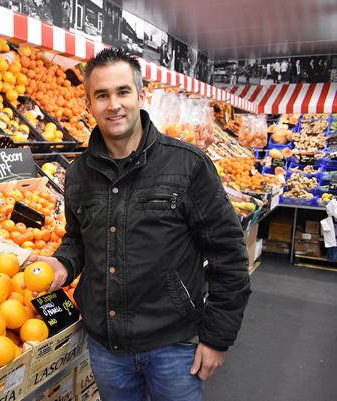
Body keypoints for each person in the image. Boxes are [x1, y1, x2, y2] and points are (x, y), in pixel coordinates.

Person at [28, 47, 252, 401]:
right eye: (102, 95)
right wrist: (63, 263)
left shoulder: (188, 165)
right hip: (106, 349)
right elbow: (77, 240)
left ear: (140, 96)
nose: (113, 104)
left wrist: (217, 337)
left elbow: (230, 255)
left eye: (123, 92)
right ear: (88, 104)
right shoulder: (78, 174)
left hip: (174, 346)